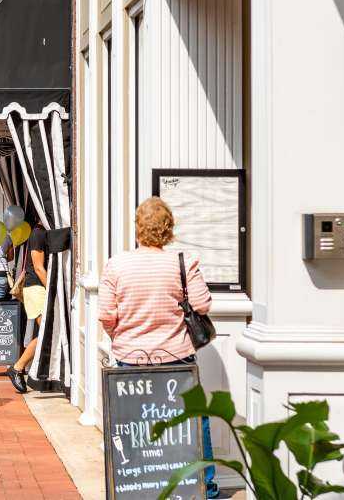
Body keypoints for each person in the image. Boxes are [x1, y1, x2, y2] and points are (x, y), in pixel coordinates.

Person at [98, 197, 218, 498]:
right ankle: (206, 486)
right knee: (193, 420)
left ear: (138, 227)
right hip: (176, 356)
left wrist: (120, 336)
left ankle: (138, 485)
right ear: (168, 229)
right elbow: (203, 304)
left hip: (130, 358)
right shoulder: (182, 262)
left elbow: (105, 315)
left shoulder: (117, 264)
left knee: (133, 425)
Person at [8, 219, 50, 390]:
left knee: (46, 333)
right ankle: (17, 367)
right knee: (45, 334)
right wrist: (52, 289)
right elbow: (39, 268)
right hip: (36, 288)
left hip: (37, 288)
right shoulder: (38, 233)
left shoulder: (41, 232)